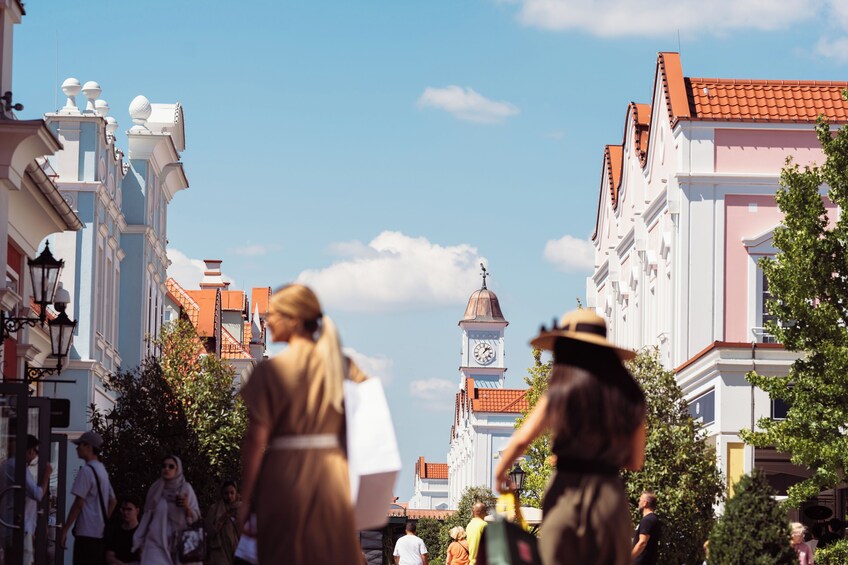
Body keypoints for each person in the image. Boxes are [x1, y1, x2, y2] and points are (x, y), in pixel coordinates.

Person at [494, 309, 647, 565]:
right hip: (609, 496)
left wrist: (500, 472)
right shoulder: (630, 395)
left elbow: (522, 439)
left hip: (565, 491)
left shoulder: (561, 390)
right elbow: (634, 461)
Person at [238, 284, 368, 564]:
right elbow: (364, 431)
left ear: (294, 320)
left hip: (283, 477)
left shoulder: (269, 372)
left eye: (275, 315)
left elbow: (255, 439)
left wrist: (246, 499)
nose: (269, 321)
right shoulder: (346, 367)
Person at [132, 455, 201, 565]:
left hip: (181, 541)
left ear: (177, 469)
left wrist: (187, 507)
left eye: (171, 466)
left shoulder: (186, 489)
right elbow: (147, 516)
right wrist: (141, 540)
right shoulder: (155, 489)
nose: (166, 469)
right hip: (156, 541)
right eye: (164, 466)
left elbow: (196, 517)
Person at [61, 431, 116, 565]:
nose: (77, 448)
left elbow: (79, 503)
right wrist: (102, 520)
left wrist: (65, 529)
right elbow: (113, 501)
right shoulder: (102, 470)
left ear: (89, 447)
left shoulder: (86, 471)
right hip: (99, 535)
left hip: (85, 533)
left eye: (80, 444)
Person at [0, 434, 52, 565]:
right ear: (30, 450)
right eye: (35, 451)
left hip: (8, 526)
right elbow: (37, 494)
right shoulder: (18, 467)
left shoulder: (6, 465)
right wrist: (46, 475)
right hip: (20, 528)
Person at [206, 480, 241, 565]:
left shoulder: (241, 508)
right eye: (226, 493)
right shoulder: (214, 509)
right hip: (219, 549)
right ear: (222, 494)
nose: (229, 496)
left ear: (236, 493)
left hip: (238, 548)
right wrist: (221, 521)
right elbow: (208, 530)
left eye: (232, 493)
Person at [106, 497, 141, 565]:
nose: (125, 512)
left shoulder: (142, 532)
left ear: (137, 511)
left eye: (129, 509)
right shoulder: (115, 532)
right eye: (123, 509)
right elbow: (109, 556)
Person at [632, 491, 661, 565]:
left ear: (645, 503)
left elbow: (642, 543)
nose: (638, 503)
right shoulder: (652, 519)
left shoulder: (647, 520)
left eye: (640, 500)